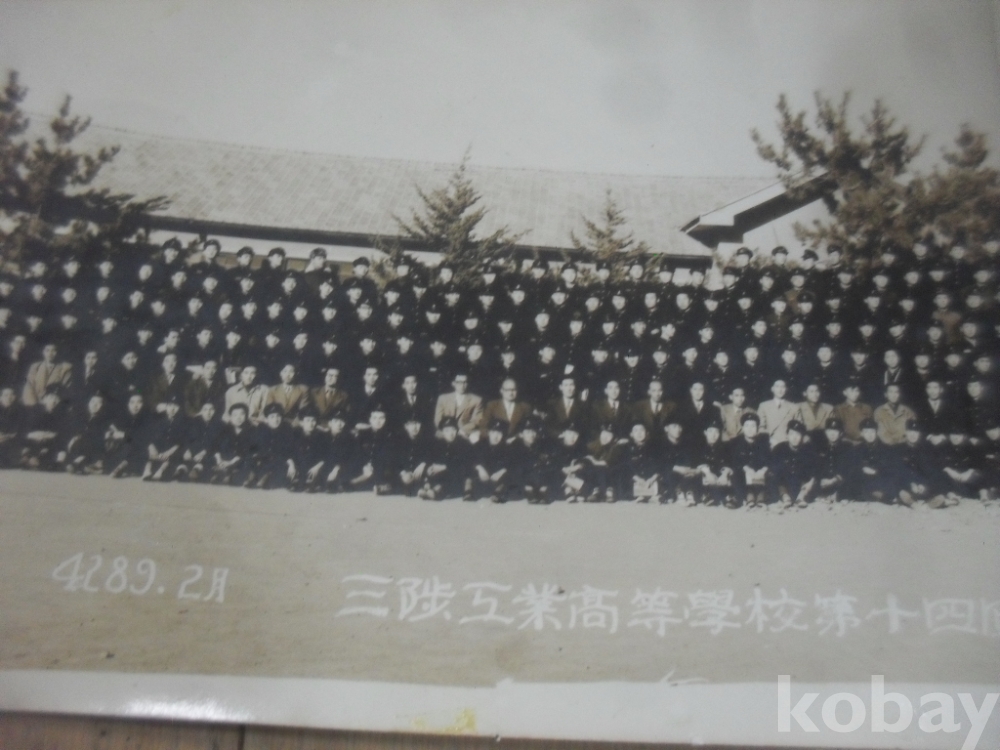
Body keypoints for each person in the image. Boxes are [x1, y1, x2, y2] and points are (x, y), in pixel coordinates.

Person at [771, 420, 816, 509]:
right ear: (787, 436)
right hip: (784, 485)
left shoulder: (808, 451)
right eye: (791, 434)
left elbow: (811, 472)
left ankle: (801, 498)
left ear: (802, 437)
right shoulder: (779, 449)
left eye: (798, 434)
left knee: (813, 480)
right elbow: (775, 471)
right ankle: (785, 498)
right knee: (772, 477)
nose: (794, 437)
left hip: (800, 485)